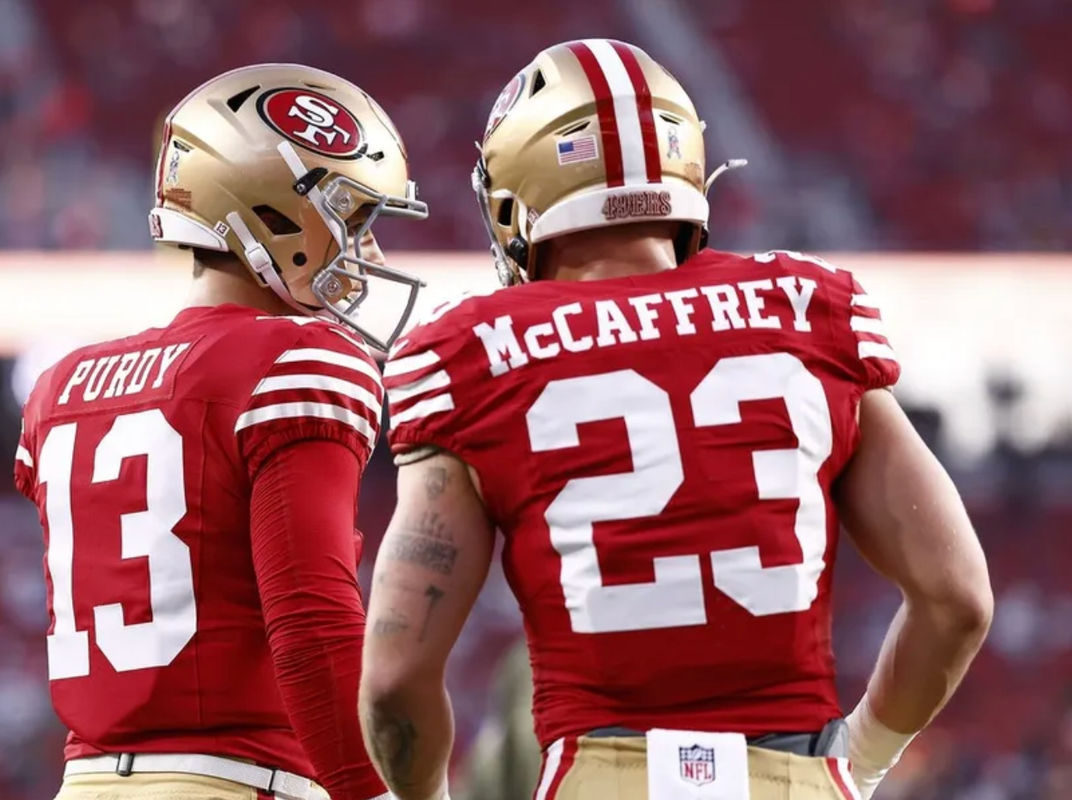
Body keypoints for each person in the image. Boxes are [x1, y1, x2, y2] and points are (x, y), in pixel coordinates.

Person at [358, 39, 993, 800]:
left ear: (517, 192)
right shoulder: (805, 308)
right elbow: (958, 598)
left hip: (603, 777)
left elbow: (396, 681)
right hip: (793, 775)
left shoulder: (470, 352)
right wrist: (858, 761)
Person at [14, 63, 427, 800]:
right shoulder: (295, 359)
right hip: (239, 780)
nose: (365, 251)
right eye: (353, 218)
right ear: (269, 212)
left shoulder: (62, 386)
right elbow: (313, 627)